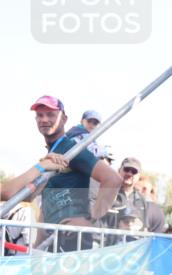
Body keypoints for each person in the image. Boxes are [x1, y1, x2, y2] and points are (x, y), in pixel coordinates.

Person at [1, 96, 121, 251]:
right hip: (50, 247)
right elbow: (21, 195)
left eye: (51, 114)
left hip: (73, 246)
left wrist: (90, 220)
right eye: (40, 115)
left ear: (64, 119)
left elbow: (112, 179)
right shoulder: (51, 155)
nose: (44, 119)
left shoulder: (70, 149)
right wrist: (37, 248)